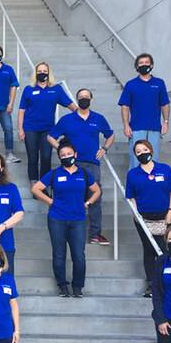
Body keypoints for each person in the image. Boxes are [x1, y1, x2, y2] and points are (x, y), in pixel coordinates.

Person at [31, 144, 101, 298]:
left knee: (79, 255)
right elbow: (35, 189)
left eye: (69, 153)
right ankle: (62, 286)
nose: (66, 156)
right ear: (59, 157)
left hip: (78, 220)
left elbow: (96, 191)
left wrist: (87, 203)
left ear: (75, 154)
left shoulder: (84, 173)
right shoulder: (54, 173)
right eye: (63, 154)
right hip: (57, 218)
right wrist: (50, 201)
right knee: (59, 254)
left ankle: (77, 287)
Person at [48, 88, 115, 245]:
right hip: (72, 165)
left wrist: (104, 149)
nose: (83, 99)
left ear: (91, 99)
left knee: (95, 197)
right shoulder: (67, 119)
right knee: (70, 196)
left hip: (92, 164)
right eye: (80, 97)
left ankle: (95, 234)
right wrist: (61, 149)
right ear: (76, 100)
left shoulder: (98, 118)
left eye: (86, 97)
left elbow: (110, 135)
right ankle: (65, 232)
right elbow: (50, 136)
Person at [125, 139, 171, 297]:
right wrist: (136, 214)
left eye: (144, 150)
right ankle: (151, 285)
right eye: (138, 152)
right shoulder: (133, 174)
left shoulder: (164, 169)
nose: (142, 153)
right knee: (149, 250)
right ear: (135, 155)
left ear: (151, 150)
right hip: (143, 219)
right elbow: (131, 196)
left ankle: (168, 282)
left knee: (164, 250)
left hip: (164, 216)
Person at [17, 62, 75, 184]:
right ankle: (34, 183)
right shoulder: (29, 89)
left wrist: (82, 114)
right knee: (32, 157)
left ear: (49, 73)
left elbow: (71, 105)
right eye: (39, 71)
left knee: (46, 157)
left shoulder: (56, 89)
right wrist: (20, 129)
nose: (42, 73)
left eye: (44, 71)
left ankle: (43, 183)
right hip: (30, 128)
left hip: (48, 130)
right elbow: (21, 110)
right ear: (35, 74)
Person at [118, 52, 170, 169]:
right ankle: (135, 186)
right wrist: (126, 125)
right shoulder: (131, 85)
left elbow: (165, 104)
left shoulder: (159, 83)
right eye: (141, 63)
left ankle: (153, 185)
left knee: (154, 160)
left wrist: (166, 122)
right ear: (137, 67)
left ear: (151, 65)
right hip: (136, 128)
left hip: (154, 128)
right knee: (136, 161)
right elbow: (125, 106)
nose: (144, 65)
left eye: (147, 62)